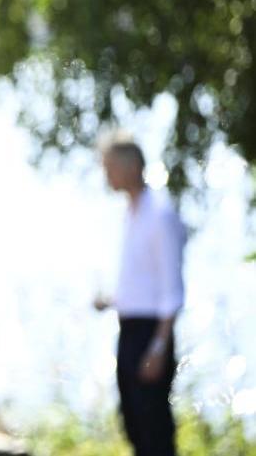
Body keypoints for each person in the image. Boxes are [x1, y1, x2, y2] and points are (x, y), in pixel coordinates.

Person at [95, 135, 186, 456]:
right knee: (133, 422)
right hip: (130, 329)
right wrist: (113, 299)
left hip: (151, 333)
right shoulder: (130, 213)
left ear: (132, 167)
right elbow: (144, 282)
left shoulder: (160, 214)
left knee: (154, 426)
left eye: (109, 167)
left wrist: (158, 347)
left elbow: (171, 289)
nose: (106, 175)